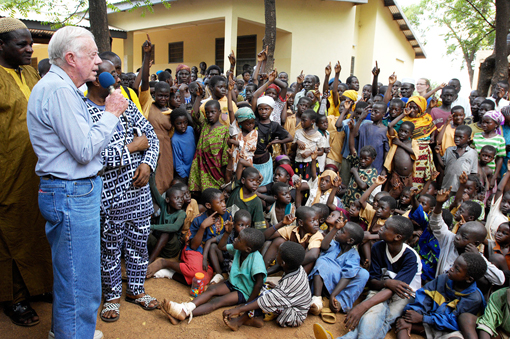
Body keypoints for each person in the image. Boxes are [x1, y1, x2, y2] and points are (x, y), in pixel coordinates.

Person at [27, 26, 127, 339]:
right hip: (71, 194)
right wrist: (110, 114)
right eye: (93, 54)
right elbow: (84, 151)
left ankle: (70, 331)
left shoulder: (64, 88)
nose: (99, 61)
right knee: (78, 279)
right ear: (71, 58)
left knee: (74, 274)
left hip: (72, 192)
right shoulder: (58, 91)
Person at [85, 59, 160, 322]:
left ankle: (136, 291)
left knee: (139, 245)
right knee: (110, 249)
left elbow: (151, 137)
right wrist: (131, 150)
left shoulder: (125, 104)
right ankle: (113, 297)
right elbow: (93, 158)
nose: (118, 78)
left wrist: (148, 164)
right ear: (96, 79)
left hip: (139, 196)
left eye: (118, 73)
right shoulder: (84, 111)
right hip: (109, 198)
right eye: (112, 74)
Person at [0, 17, 52, 328]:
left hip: (37, 170)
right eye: (22, 44)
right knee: (9, 234)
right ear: (1, 45)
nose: (29, 49)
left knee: (36, 230)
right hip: (7, 172)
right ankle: (14, 298)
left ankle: (37, 286)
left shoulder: (31, 73)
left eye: (30, 43)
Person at [161, 226, 266, 324]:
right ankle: (187, 307)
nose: (235, 239)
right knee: (211, 290)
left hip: (244, 291)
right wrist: (227, 233)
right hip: (233, 283)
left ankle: (185, 314)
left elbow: (258, 284)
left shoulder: (256, 260)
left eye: (239, 239)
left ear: (248, 249)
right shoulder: (238, 248)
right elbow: (221, 246)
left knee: (217, 302)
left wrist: (248, 304)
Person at [339, 216, 422, 339]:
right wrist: (387, 283)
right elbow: (373, 282)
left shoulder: (410, 257)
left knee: (385, 319)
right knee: (374, 312)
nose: (381, 228)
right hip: (381, 288)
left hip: (403, 295)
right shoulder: (378, 247)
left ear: (398, 237)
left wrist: (363, 306)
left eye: (386, 227)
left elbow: (396, 289)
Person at [222, 241, 312, 330]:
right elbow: (286, 292)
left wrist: (240, 309)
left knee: (264, 298)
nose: (276, 254)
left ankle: (241, 320)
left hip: (293, 314)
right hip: (292, 301)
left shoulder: (290, 284)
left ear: (283, 263)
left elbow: (266, 300)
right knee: (264, 288)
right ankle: (255, 316)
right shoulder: (297, 268)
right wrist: (275, 286)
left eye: (278, 253)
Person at [395, 253, 487, 339]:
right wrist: (415, 313)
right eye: (453, 265)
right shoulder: (443, 279)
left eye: (457, 269)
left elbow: (454, 322)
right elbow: (424, 296)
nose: (451, 269)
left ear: (469, 279)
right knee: (403, 321)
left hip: (450, 330)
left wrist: (424, 319)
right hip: (430, 322)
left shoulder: (474, 298)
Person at [309, 218, 369, 316]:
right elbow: (324, 246)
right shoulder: (334, 244)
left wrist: (334, 294)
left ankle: (339, 303)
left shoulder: (354, 255)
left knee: (364, 274)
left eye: (342, 231)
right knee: (322, 261)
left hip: (338, 287)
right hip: (322, 284)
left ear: (350, 241)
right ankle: (317, 298)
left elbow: (347, 276)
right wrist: (335, 229)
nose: (338, 232)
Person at [401, 96, 437, 189]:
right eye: (410, 107)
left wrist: (432, 137)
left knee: (420, 177)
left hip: (423, 153)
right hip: (409, 150)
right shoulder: (404, 120)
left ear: (420, 109)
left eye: (415, 108)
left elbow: (432, 128)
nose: (412, 110)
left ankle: (418, 196)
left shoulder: (426, 119)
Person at [438, 125, 478, 192]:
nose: (457, 139)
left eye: (460, 137)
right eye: (455, 136)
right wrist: (437, 154)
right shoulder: (449, 150)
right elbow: (444, 166)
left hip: (462, 188)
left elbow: (474, 173)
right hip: (447, 186)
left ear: (468, 139)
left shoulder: (472, 153)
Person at [170, 108, 196, 181]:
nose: (183, 125)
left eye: (185, 122)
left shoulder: (190, 129)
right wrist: (184, 176)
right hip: (186, 174)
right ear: (173, 124)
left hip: (196, 169)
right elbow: (177, 163)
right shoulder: (175, 140)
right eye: (179, 123)